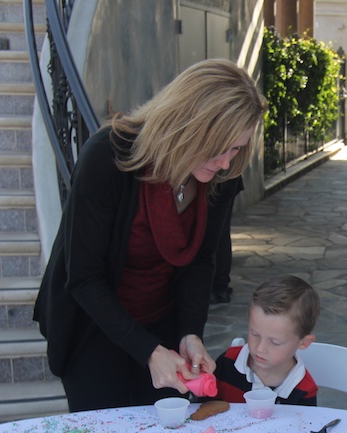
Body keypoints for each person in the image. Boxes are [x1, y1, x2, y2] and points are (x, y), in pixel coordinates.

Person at [33, 59, 267, 412]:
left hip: (164, 322)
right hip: (93, 328)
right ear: (187, 125)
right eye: (219, 147)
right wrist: (148, 351)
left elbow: (202, 260)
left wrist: (190, 332)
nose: (225, 162)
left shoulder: (223, 173)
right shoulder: (106, 157)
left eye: (235, 149)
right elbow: (82, 278)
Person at [213, 275, 320, 405]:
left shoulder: (304, 389)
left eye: (274, 342)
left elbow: (305, 424)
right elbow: (203, 409)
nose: (260, 348)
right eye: (254, 334)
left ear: (304, 342)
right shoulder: (227, 363)